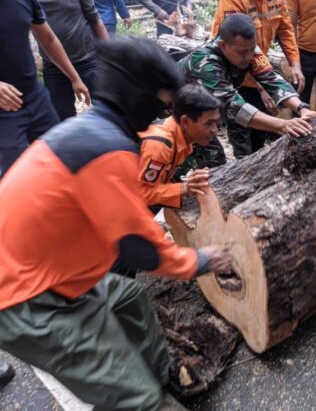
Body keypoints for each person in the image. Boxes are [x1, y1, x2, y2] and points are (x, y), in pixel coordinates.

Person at [0, 36, 232, 410]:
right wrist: (199, 261)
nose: (163, 112)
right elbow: (139, 249)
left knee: (130, 295)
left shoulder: (92, 131)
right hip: (24, 297)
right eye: (162, 102)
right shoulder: (107, 149)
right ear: (141, 97)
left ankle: (163, 370)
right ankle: (143, 394)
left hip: (53, 270)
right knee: (137, 401)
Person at [181, 14, 316, 165]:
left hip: (199, 116)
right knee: (203, 160)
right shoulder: (205, 63)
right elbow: (235, 107)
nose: (249, 56)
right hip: (173, 117)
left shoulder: (248, 49)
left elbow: (270, 78)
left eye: (252, 49)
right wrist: (283, 124)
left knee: (213, 161)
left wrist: (302, 108)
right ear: (223, 46)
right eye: (242, 52)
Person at [1, 0, 88, 177]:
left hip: (36, 99)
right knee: (15, 174)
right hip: (3, 110)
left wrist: (74, 77)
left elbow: (48, 39)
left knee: (55, 159)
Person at [210, 0, 305, 158]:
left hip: (256, 68)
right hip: (234, 77)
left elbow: (285, 29)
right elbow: (237, 51)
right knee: (241, 131)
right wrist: (263, 90)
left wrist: (295, 63)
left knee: (258, 137)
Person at [16, 0, 105, 121]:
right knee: (61, 120)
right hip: (53, 67)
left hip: (88, 60)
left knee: (107, 112)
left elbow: (94, 18)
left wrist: (111, 55)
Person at [139, 84, 221, 208]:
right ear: (186, 122)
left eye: (216, 123)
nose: (215, 130)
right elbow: (140, 194)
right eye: (209, 123)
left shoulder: (181, 137)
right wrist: (184, 187)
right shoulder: (160, 146)